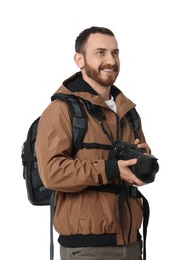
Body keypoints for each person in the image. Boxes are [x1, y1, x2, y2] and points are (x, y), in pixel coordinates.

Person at [35, 26, 153, 260]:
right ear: (80, 59)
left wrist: (142, 163)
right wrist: (111, 169)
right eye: (100, 52)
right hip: (87, 248)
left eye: (115, 52)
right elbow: (51, 173)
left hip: (131, 243)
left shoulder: (127, 111)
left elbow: (133, 173)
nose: (110, 60)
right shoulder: (61, 109)